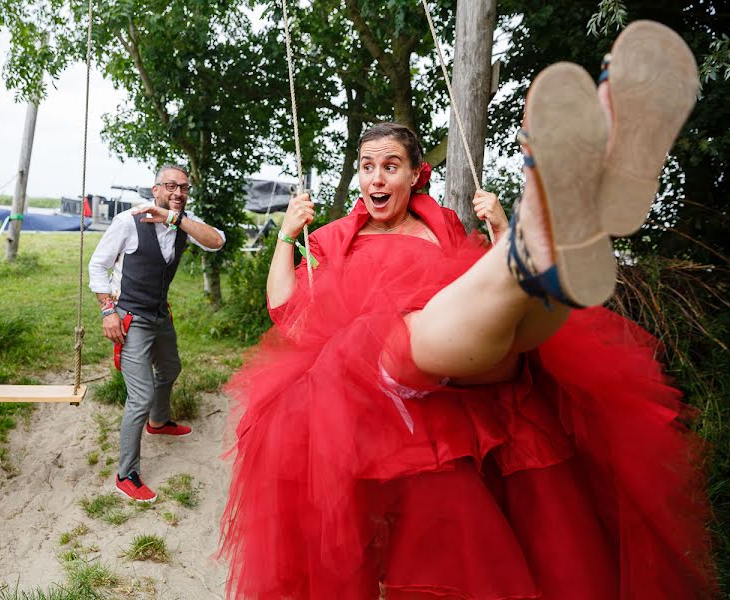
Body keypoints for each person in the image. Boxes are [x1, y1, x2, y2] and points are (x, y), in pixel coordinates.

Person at [220, 22, 716, 599]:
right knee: (414, 336)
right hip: (387, 374)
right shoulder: (334, 237)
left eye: (390, 165)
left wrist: (497, 226)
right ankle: (537, 239)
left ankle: (542, 242)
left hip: (477, 371)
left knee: (518, 339)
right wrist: (287, 235)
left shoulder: (443, 225)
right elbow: (286, 310)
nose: (376, 177)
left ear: (414, 175)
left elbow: (474, 290)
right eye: (366, 165)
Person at [88, 163, 225, 503]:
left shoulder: (183, 223)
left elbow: (217, 242)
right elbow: (97, 265)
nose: (177, 193)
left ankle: (159, 423)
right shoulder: (128, 222)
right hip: (130, 316)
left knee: (171, 369)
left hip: (160, 313)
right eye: (170, 186)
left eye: (183, 188)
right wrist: (108, 311)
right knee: (141, 395)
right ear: (155, 190)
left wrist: (174, 218)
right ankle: (126, 473)